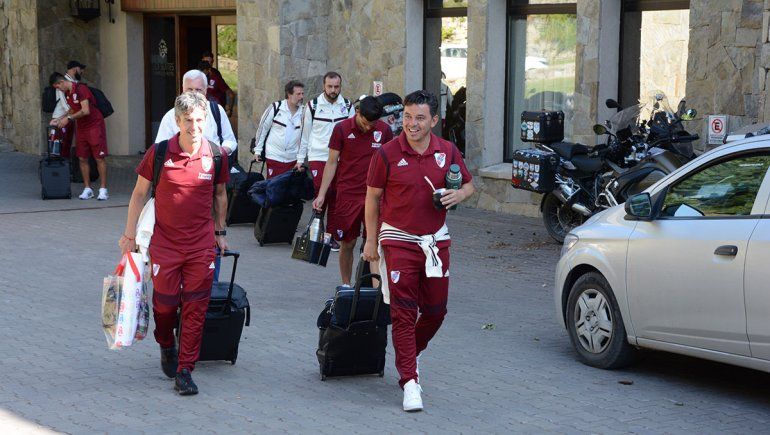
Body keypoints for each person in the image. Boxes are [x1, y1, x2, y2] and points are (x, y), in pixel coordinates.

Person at [363, 90, 475, 412]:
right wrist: (371, 241)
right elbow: (372, 199)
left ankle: (411, 352)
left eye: (419, 118)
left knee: (436, 311)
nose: (411, 124)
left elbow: (468, 185)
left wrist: (459, 196)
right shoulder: (386, 153)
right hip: (397, 239)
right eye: (408, 117)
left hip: (435, 241)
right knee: (403, 312)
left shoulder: (447, 151)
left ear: (434, 121)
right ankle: (409, 382)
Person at [119, 91, 230, 396]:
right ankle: (166, 344)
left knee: (196, 308)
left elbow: (220, 195)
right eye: (188, 120)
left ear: (205, 120)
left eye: (199, 120)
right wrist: (129, 234)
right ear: (177, 121)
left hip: (201, 245)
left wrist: (220, 232)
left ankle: (185, 370)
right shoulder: (158, 153)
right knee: (165, 307)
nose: (194, 126)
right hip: (165, 244)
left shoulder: (217, 155)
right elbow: (139, 194)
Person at [312, 96, 392, 287]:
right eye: (365, 123)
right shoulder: (341, 129)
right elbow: (331, 163)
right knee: (348, 243)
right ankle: (346, 286)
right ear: (357, 113)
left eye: (373, 123)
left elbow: (391, 165)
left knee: (373, 243)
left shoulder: (384, 130)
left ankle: (376, 292)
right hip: (347, 195)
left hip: (375, 197)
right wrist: (322, 194)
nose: (369, 128)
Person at [297, 71, 354, 251]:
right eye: (329, 86)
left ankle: (330, 236)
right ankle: (315, 234)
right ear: (324, 86)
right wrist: (300, 159)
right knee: (323, 193)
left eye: (336, 87)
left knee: (337, 195)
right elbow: (304, 136)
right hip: (319, 157)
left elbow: (352, 135)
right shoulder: (312, 106)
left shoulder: (347, 106)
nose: (333, 90)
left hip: (341, 158)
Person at [49, 72, 109, 200]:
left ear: (61, 82)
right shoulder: (67, 93)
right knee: (82, 157)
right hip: (81, 127)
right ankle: (88, 189)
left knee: (99, 157)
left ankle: (103, 189)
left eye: (58, 87)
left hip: (94, 125)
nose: (58, 90)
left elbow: (85, 110)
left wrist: (68, 119)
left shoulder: (81, 89)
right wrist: (59, 119)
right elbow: (72, 109)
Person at [155, 69, 237, 157]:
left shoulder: (217, 110)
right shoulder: (170, 116)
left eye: (198, 90)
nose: (194, 94)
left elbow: (230, 141)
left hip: (213, 165)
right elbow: (160, 148)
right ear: (183, 90)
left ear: (205, 91)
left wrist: (218, 153)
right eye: (190, 89)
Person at [253, 80, 305, 178]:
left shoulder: (304, 112)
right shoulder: (275, 108)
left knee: (289, 191)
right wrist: (257, 150)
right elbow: (262, 129)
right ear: (289, 94)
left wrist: (300, 159)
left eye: (302, 93)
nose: (301, 97)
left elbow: (305, 138)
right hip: (274, 157)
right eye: (298, 94)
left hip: (292, 159)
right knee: (273, 188)